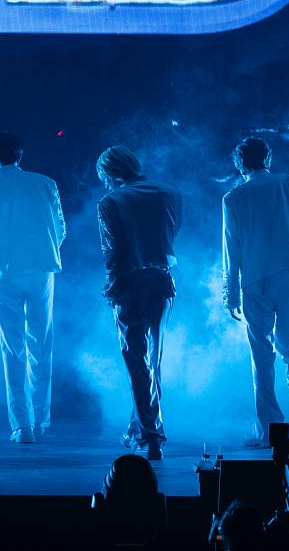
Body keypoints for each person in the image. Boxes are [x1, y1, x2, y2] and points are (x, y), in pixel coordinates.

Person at [222, 137, 289, 447]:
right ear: (268, 158)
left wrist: (230, 292)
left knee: (262, 357)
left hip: (255, 282)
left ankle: (269, 430)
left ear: (239, 163)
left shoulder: (234, 198)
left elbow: (231, 249)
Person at [0, 132, 66, 444]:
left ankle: (22, 426)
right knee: (41, 345)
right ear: (20, 154)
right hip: (41, 271)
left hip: (4, 274)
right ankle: (40, 421)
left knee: (12, 349)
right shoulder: (46, 184)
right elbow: (59, 229)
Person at [96, 146, 182, 461]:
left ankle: (150, 435)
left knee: (136, 361)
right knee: (153, 360)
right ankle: (141, 428)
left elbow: (113, 251)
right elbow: (172, 233)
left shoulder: (110, 201)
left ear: (111, 172)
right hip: (162, 280)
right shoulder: (170, 192)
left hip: (130, 283)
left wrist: (111, 288)